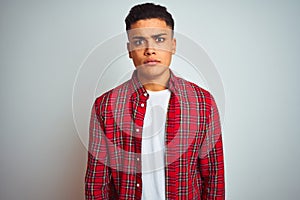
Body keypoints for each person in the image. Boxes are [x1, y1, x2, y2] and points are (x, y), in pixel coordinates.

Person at [85, 3, 225, 200]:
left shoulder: (203, 103)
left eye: (159, 39)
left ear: (173, 45)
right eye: (139, 41)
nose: (150, 50)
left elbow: (214, 178)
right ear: (129, 49)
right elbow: (96, 183)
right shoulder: (105, 106)